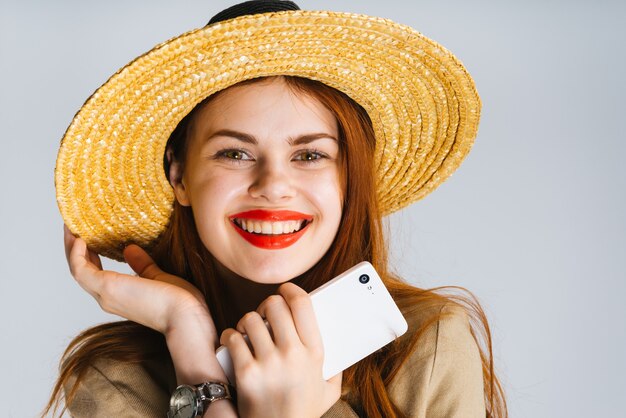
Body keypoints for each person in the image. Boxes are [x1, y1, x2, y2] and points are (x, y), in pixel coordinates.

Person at [46, 1, 507, 417]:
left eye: (309, 155)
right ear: (180, 176)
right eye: (234, 153)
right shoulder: (116, 379)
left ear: (350, 179)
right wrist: (184, 329)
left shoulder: (427, 347)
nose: (273, 187)